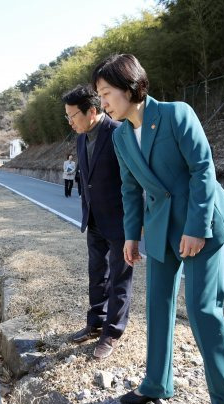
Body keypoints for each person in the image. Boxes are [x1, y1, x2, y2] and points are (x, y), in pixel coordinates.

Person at [92, 54, 224, 404]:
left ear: (131, 87)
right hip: (160, 228)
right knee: (157, 305)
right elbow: (130, 189)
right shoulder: (122, 137)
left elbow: (203, 169)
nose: (103, 103)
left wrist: (197, 227)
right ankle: (156, 383)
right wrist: (131, 236)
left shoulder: (176, 114)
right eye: (99, 95)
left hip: (201, 223)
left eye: (107, 93)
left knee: (203, 309)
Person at [62, 84, 133, 359]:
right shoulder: (80, 138)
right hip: (93, 218)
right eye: (66, 117)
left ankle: (112, 332)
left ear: (92, 111)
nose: (70, 122)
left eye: (73, 116)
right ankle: (95, 322)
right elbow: (86, 179)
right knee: (97, 273)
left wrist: (134, 224)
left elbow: (133, 180)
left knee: (119, 278)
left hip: (120, 220)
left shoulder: (119, 133)